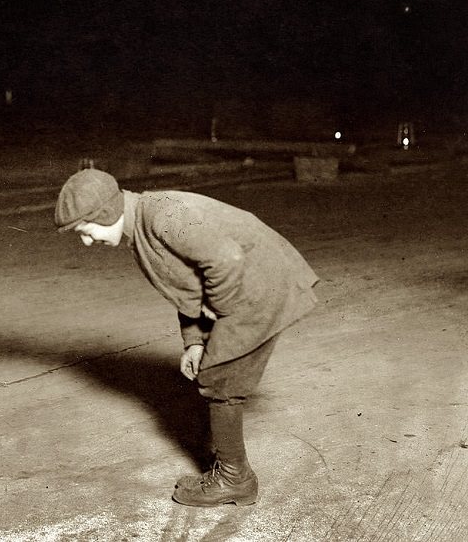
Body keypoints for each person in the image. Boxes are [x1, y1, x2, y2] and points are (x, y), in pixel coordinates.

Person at [55, 169, 318, 507]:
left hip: (260, 284)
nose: (87, 241)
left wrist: (220, 315)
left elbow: (226, 259)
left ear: (105, 214)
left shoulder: (163, 214)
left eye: (85, 231)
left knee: (219, 379)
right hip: (245, 282)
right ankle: (232, 472)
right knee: (214, 372)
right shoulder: (141, 223)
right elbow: (187, 284)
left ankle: (234, 480)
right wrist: (194, 340)